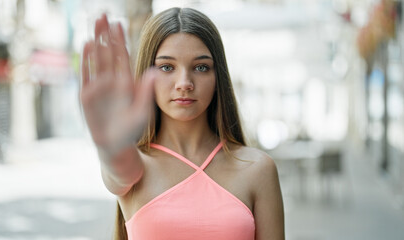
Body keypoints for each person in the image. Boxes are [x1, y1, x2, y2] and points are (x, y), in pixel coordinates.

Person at [80, 7, 284, 240]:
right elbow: (119, 168)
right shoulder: (136, 167)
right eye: (167, 67)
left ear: (219, 78)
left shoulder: (257, 169)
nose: (184, 83)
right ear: (147, 74)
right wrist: (110, 146)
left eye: (201, 67)